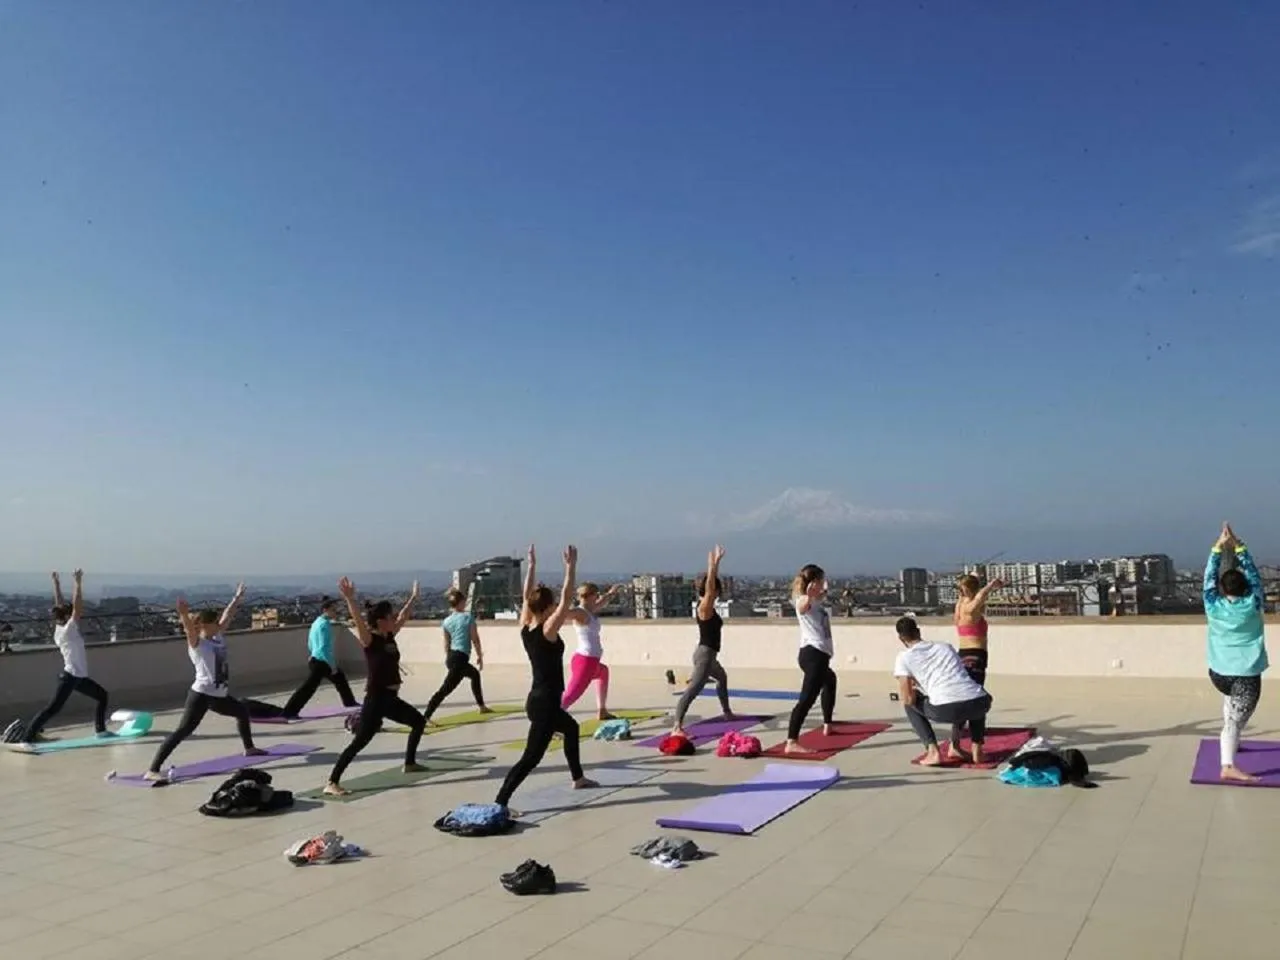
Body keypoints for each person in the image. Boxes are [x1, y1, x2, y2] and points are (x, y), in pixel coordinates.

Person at [494, 545, 597, 815]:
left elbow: (526, 596)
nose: (556, 609)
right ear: (547, 607)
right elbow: (565, 599)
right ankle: (500, 802)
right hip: (545, 704)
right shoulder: (547, 629)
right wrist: (570, 567)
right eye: (552, 606)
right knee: (530, 758)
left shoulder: (526, 626)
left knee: (572, 729)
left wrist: (532, 565)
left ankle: (578, 778)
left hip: (541, 699)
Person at [145, 584, 265, 781]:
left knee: (242, 711)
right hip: (201, 695)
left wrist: (237, 598)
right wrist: (183, 614)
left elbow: (228, 616)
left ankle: (249, 748)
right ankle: (153, 770)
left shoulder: (217, 637)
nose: (219, 624)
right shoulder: (198, 644)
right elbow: (188, 629)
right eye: (215, 622)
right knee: (184, 730)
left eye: (218, 622)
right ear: (204, 625)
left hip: (218, 695)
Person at [324, 579, 426, 796]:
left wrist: (413, 598)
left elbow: (403, 617)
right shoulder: (369, 640)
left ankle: (409, 763)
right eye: (390, 617)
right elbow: (358, 620)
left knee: (418, 722)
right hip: (376, 698)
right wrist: (350, 598)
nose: (394, 618)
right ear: (380, 621)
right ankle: (332, 782)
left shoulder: (389, 636)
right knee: (361, 740)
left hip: (391, 698)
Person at [1204, 522, 1268, 783]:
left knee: (1231, 702)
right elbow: (1254, 576)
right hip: (1245, 675)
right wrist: (1239, 546)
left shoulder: (1212, 604)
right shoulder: (1253, 603)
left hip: (1218, 674)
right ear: (1245, 589)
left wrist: (1217, 548)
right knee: (1234, 722)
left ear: (1223, 589)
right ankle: (1227, 765)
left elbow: (1208, 578)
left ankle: (1232, 743)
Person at [893, 616, 993, 766]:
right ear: (918, 631)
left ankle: (933, 751)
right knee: (969, 694)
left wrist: (918, 687)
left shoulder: (904, 658)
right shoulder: (944, 647)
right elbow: (956, 676)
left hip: (946, 710)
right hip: (981, 703)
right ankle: (975, 748)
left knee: (909, 705)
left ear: (901, 638)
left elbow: (908, 698)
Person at [25, 570, 111, 742]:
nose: (74, 615)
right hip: (70, 677)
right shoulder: (68, 630)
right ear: (66, 617)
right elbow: (77, 606)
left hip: (78, 677)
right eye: (70, 614)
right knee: (53, 709)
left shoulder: (60, 627)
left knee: (102, 696)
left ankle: (100, 730)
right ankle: (27, 737)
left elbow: (60, 605)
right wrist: (78, 583)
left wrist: (56, 584)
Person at [671, 545, 735, 736]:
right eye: (716, 588)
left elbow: (710, 589)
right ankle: (676, 726)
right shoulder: (704, 607)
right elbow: (709, 589)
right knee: (693, 690)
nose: (717, 592)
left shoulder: (709, 607)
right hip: (705, 655)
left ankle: (726, 712)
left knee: (721, 678)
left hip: (709, 655)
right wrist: (713, 565)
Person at [784, 563, 837, 754]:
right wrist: (809, 592)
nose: (823, 583)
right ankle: (791, 741)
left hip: (820, 655)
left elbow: (818, 598)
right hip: (813, 655)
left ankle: (827, 724)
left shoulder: (815, 601)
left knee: (830, 681)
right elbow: (803, 605)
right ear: (813, 582)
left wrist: (821, 591)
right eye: (821, 580)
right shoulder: (802, 600)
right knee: (806, 699)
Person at [280, 597, 359, 718]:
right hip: (322, 663)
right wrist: (332, 666)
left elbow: (310, 642)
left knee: (340, 678)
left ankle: (349, 702)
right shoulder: (324, 625)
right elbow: (323, 648)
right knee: (308, 688)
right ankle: (290, 711)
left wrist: (312, 654)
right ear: (325, 610)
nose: (335, 612)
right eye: (333, 610)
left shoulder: (316, 622)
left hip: (316, 660)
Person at [422, 588, 490, 723]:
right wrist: (480, 655)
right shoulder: (467, 618)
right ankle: (426, 716)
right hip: (460, 659)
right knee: (445, 690)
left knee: (474, 675)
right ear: (461, 603)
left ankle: (482, 706)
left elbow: (446, 643)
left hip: (453, 656)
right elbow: (475, 639)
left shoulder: (447, 621)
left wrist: (448, 659)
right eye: (464, 601)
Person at [561, 581, 626, 719]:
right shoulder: (581, 613)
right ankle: (549, 721)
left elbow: (603, 601)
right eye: (596, 595)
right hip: (585, 662)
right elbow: (565, 614)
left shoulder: (589, 610)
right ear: (590, 596)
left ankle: (602, 710)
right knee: (570, 696)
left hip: (588, 660)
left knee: (603, 672)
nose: (598, 597)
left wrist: (612, 592)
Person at [953, 573, 1003, 688]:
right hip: (976, 653)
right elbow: (981, 595)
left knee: (965, 687)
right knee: (976, 688)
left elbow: (975, 595)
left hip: (962, 652)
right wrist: (991, 584)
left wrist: (971, 577)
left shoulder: (959, 605)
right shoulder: (970, 609)